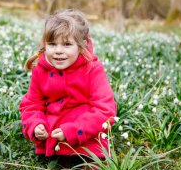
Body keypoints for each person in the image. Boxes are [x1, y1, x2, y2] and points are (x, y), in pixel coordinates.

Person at [19, 9, 117, 162]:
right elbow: (31, 104)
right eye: (52, 44)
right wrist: (35, 124)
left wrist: (74, 130)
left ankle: (92, 162)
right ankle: (59, 156)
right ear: (44, 45)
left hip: (83, 129)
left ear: (82, 45)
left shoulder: (92, 69)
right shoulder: (40, 69)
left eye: (67, 44)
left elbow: (105, 110)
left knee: (92, 125)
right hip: (54, 131)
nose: (58, 51)